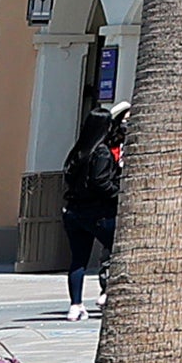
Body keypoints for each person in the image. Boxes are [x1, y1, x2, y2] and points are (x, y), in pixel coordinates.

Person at [63, 101, 126, 321]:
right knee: (119, 251)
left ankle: (75, 304)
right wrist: (118, 194)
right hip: (97, 212)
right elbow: (101, 182)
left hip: (73, 211)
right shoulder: (102, 153)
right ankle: (108, 292)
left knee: (78, 260)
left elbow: (69, 177)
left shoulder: (77, 151)